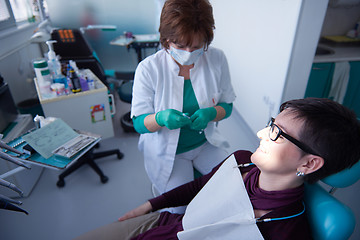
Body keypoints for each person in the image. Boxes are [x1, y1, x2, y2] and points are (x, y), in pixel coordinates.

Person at [74, 98, 360, 240]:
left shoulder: (285, 232)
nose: (261, 133)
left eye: (276, 133)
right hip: (166, 226)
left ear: (309, 163)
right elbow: (199, 187)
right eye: (271, 123)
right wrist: (149, 206)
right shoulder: (242, 160)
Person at [130, 0, 236, 208]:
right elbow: (139, 123)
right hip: (170, 152)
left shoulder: (216, 59)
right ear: (166, 39)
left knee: (233, 185)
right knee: (179, 207)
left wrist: (211, 113)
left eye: (197, 46)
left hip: (205, 144)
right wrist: (160, 118)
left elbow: (228, 106)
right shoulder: (148, 69)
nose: (188, 52)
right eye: (180, 45)